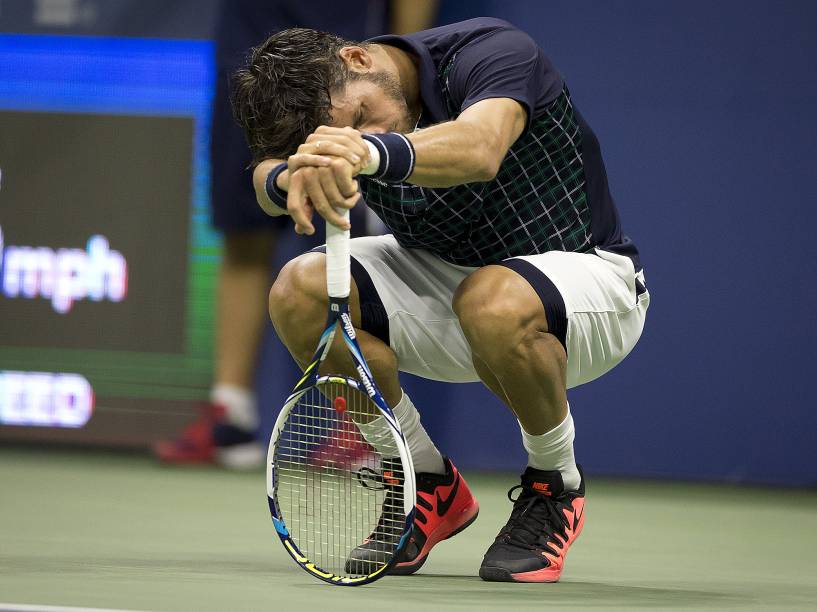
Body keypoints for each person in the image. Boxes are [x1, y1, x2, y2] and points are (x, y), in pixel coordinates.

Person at [231, 17, 650, 582]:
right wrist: (289, 177)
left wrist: (363, 150)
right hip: (445, 289)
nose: (363, 129)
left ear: (357, 58)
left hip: (590, 291)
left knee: (491, 296)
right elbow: (260, 175)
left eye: (359, 116)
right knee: (299, 289)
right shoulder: (334, 105)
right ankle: (423, 480)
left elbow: (480, 148)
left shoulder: (491, 52)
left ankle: (556, 485)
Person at [154, 0, 437, 468]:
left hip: (339, 49)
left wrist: (403, 58)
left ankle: (364, 424)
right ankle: (231, 416)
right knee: (242, 232)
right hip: (248, 53)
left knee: (346, 249)